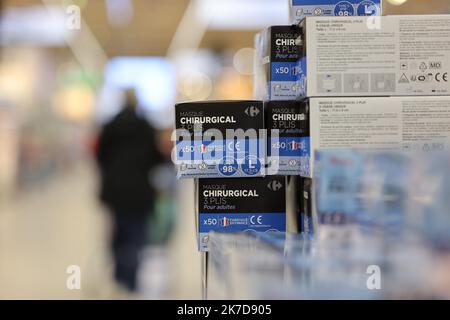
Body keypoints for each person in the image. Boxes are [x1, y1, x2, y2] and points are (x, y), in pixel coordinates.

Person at [96, 89, 161, 292]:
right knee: (137, 235)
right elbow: (156, 158)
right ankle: (131, 278)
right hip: (140, 190)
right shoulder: (147, 127)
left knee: (118, 232)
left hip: (115, 190)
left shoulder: (109, 126)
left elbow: (100, 156)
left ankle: (119, 276)